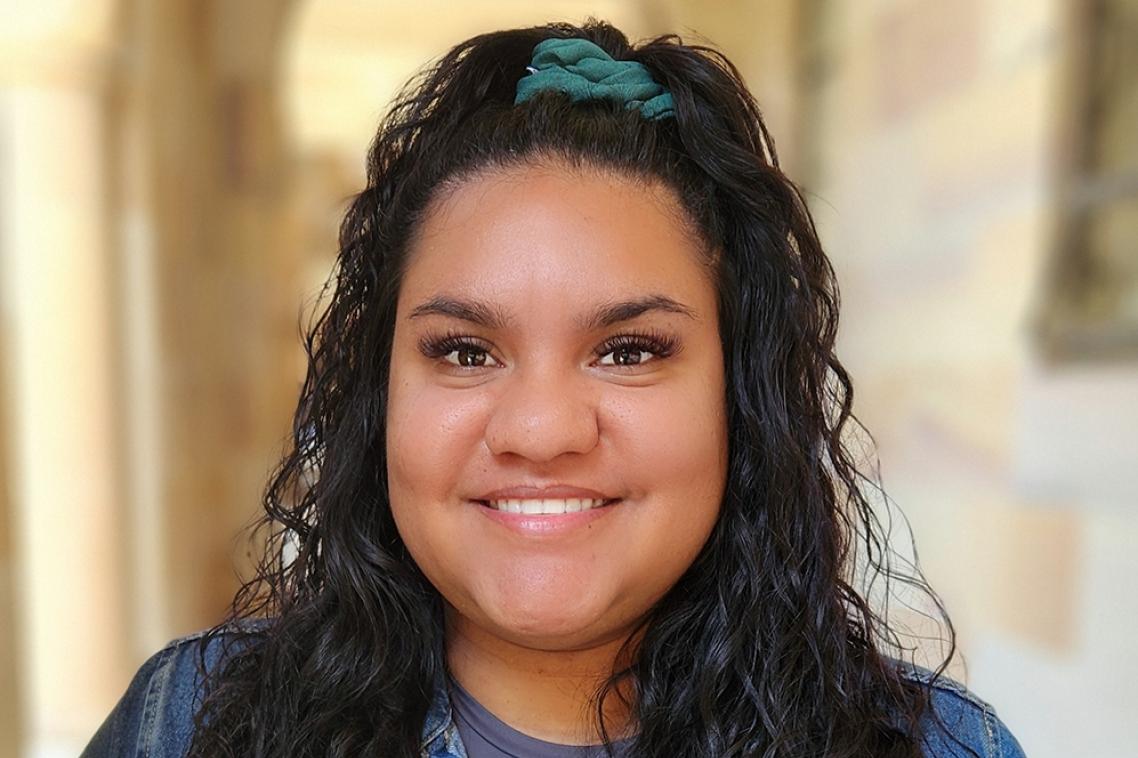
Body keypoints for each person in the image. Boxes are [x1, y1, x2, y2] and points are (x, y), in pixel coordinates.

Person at [83, 19, 1025, 758]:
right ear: (379, 398)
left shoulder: (942, 751)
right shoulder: (188, 726)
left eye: (628, 350)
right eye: (463, 351)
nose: (540, 430)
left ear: (741, 397)